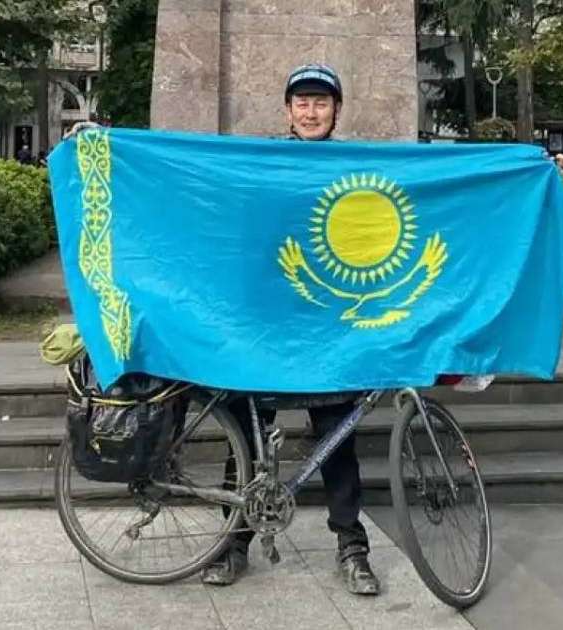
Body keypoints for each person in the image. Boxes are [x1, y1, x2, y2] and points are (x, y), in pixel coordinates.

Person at [199, 63, 381, 596]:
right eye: (301, 102)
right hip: (264, 327)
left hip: (329, 330)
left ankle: (352, 548)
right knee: (246, 440)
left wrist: (529, 166)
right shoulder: (263, 166)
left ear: (337, 111)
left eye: (321, 103)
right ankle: (233, 545)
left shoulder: (358, 169)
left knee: (338, 439)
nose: (311, 111)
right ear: (287, 110)